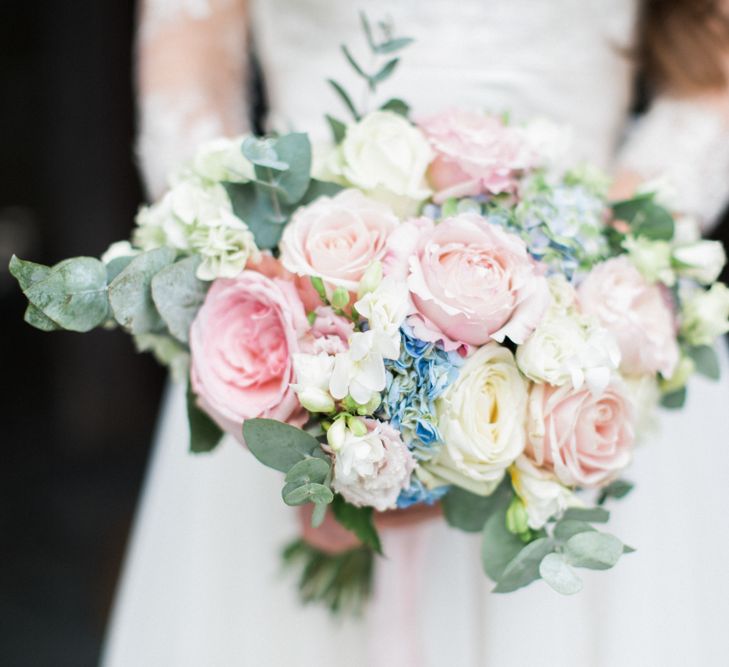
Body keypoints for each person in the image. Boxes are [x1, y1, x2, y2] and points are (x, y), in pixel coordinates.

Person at [103, 1, 729, 665]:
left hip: (584, 368)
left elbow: (710, 76)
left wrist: (583, 292)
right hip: (294, 350)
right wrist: (280, 313)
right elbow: (188, 74)